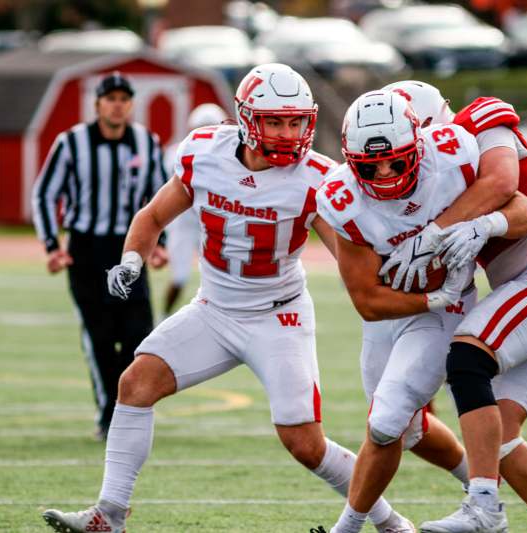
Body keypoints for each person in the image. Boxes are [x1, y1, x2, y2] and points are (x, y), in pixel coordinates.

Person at [41, 64, 413, 533]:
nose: (288, 133)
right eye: (275, 121)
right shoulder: (205, 154)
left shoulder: (317, 177)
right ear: (246, 119)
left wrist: (386, 296)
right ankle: (108, 516)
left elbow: (347, 255)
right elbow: (152, 215)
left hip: (278, 317)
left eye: (296, 122)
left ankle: (390, 523)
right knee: (135, 384)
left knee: (305, 444)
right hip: (214, 310)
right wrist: (132, 261)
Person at [315, 90, 527, 533]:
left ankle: (350, 527)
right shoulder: (341, 198)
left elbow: (525, 208)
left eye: (396, 162)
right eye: (369, 166)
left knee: (385, 421)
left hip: (446, 310)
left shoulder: (453, 154)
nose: (383, 173)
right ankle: (471, 496)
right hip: (396, 312)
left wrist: (477, 227)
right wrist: (429, 296)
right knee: (403, 430)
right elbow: (367, 301)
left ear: (419, 144)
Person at [381, 81, 527, 533]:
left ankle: (483, 505)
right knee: (499, 434)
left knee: (466, 357)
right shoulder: (434, 181)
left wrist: (435, 233)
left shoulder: (477, 120)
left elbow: (506, 186)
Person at [32, 72, 168, 441]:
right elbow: (45, 194)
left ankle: (130, 409)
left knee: (139, 335)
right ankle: (108, 414)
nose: (118, 104)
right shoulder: (71, 142)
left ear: (131, 104)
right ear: (98, 104)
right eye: (111, 98)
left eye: (125, 98)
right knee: (100, 336)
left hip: (129, 249)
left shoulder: (146, 142)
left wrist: (161, 243)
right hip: (86, 249)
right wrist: (51, 245)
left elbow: (161, 198)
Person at [161, 103, 228, 315]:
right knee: (179, 277)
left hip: (211, 221)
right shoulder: (177, 153)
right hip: (183, 222)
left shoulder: (231, 156)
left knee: (222, 277)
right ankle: (163, 317)